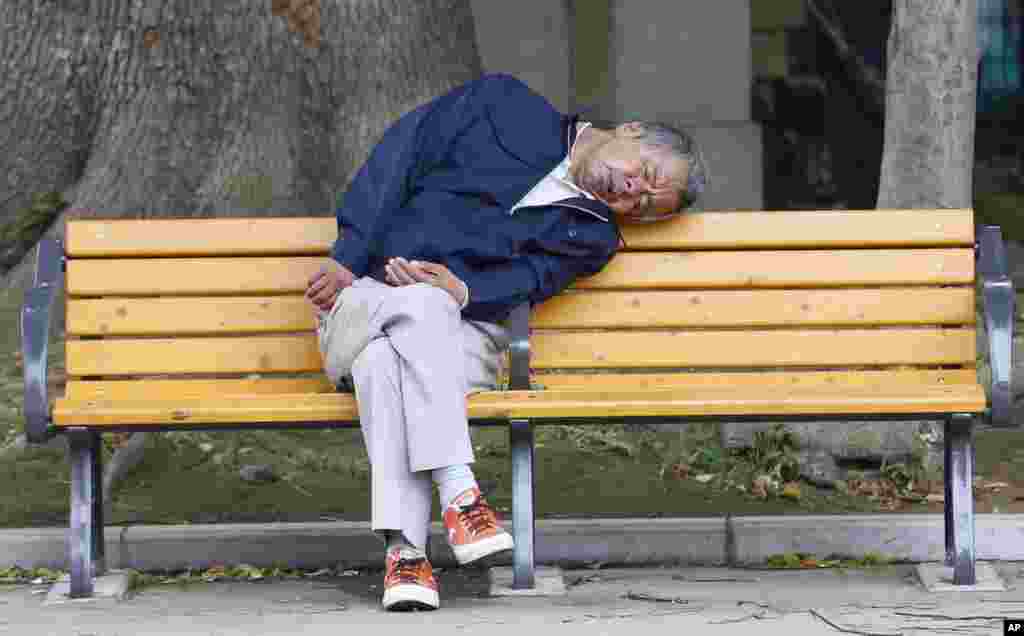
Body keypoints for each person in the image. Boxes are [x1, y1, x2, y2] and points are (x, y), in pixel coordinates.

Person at [306, 73, 706, 612]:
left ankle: (407, 556)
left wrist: (461, 290)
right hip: (363, 305)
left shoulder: (591, 235)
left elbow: (527, 282)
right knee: (419, 309)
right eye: (646, 173)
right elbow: (401, 153)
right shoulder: (502, 104)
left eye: (648, 207)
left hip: (459, 340)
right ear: (630, 130)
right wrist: (349, 253)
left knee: (391, 357)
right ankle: (458, 493)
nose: (634, 194)